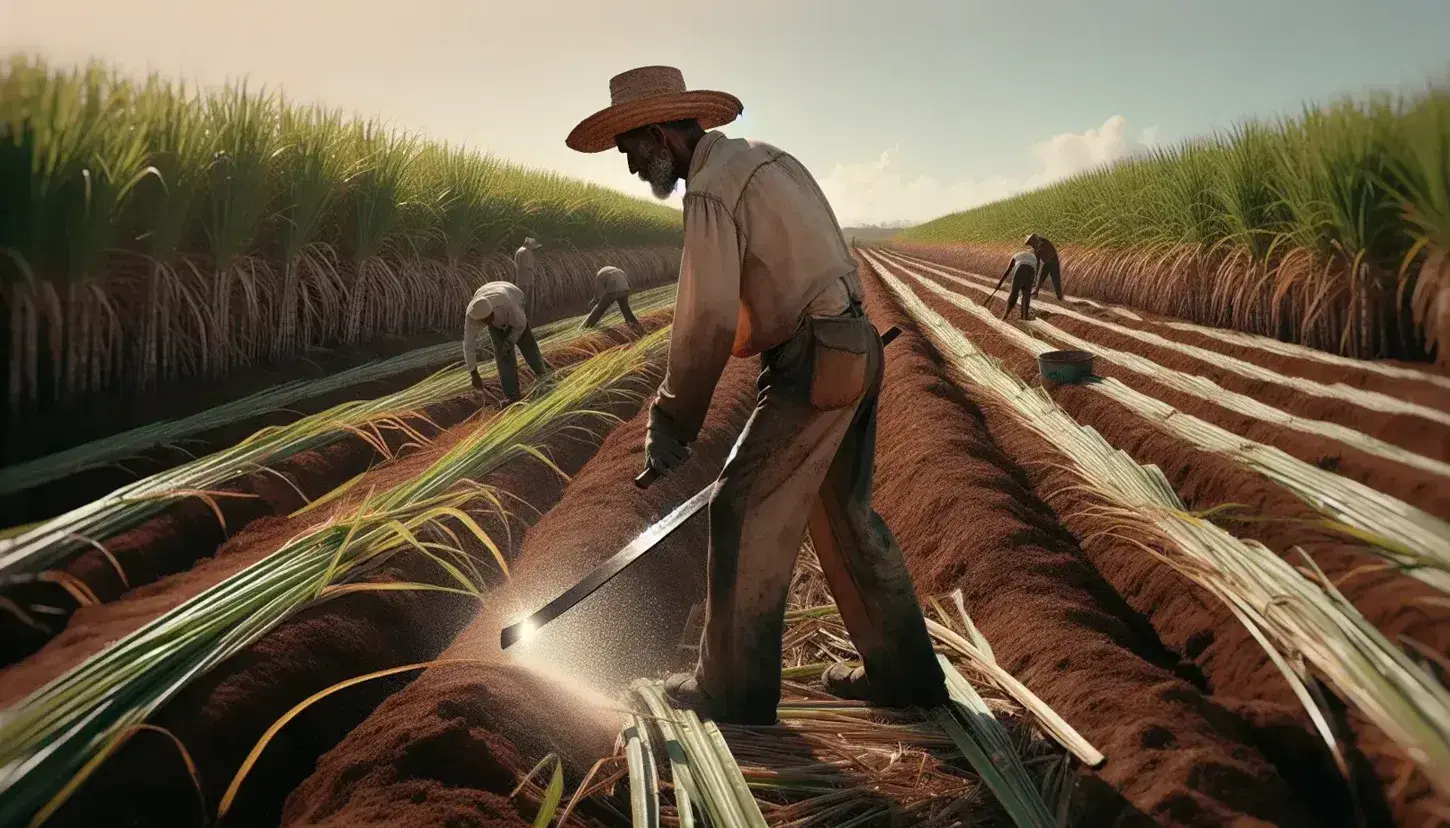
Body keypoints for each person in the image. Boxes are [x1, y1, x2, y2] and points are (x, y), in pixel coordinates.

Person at [566, 65, 947, 725]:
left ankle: (733, 689)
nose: (630, 168)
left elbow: (706, 316)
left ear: (658, 134)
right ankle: (905, 672)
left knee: (737, 508)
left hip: (811, 359)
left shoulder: (711, 190)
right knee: (846, 516)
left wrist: (672, 422)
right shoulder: (770, 160)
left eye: (631, 151)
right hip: (856, 346)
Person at [463, 281, 551, 403]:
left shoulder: (508, 304)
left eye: (489, 319)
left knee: (527, 344)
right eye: (484, 321)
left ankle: (544, 376)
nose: (488, 323)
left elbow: (520, 325)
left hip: (513, 293)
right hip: (486, 292)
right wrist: (473, 372)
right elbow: (468, 344)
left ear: (492, 311)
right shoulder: (472, 315)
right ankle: (512, 395)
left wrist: (509, 342)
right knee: (502, 354)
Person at [583, 265, 645, 333]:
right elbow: (628, 283)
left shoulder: (599, 276)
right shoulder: (618, 271)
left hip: (613, 289)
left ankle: (588, 326)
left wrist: (595, 300)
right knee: (625, 309)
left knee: (599, 309)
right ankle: (635, 325)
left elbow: (598, 293)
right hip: (625, 289)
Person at [994, 246, 1040, 321]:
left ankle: (1004, 316)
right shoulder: (1034, 258)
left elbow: (1008, 270)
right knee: (1026, 296)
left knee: (1013, 294)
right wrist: (1034, 282)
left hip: (1020, 270)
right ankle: (1024, 316)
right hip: (1031, 272)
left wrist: (999, 283)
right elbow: (1036, 272)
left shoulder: (1017, 255)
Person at [1026, 233, 1063, 301]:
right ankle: (1036, 292)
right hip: (1047, 263)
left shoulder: (1042, 241)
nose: (1030, 245)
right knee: (1041, 278)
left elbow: (1044, 242)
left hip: (1053, 261)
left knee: (1055, 279)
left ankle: (1059, 296)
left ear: (1033, 240)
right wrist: (1036, 274)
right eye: (1030, 244)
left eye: (1030, 243)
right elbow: (1038, 262)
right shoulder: (1035, 249)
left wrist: (1038, 241)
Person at [514, 237, 542, 316]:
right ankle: (529, 316)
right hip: (528, 279)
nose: (533, 247)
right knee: (528, 299)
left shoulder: (519, 251)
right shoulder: (527, 252)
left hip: (519, 279)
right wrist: (536, 273)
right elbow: (530, 266)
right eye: (533, 245)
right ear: (529, 244)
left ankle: (520, 315)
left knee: (520, 299)